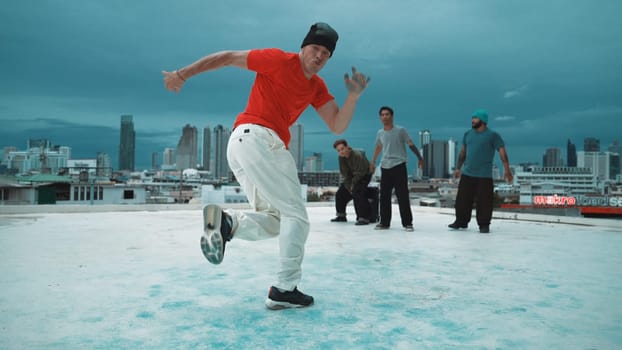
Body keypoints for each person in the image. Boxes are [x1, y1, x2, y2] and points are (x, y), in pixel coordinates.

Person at [162, 23, 369, 310]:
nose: (319, 56)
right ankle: (285, 288)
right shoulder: (279, 60)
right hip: (260, 138)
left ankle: (228, 224)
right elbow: (227, 57)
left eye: (325, 53)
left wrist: (354, 96)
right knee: (296, 216)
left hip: (242, 145)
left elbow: (336, 124)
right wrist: (182, 74)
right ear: (303, 47)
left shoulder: (315, 86)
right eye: (315, 48)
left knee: (276, 219)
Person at [448, 109, 513, 234]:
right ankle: (461, 221)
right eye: (472, 118)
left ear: (483, 121)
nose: (472, 120)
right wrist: (458, 168)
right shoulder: (468, 134)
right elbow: (462, 153)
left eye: (475, 118)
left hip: (484, 175)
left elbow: (503, 153)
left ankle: (484, 225)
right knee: (462, 200)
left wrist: (507, 170)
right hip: (467, 173)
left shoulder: (493, 135)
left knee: (484, 202)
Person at [370, 106, 423, 232]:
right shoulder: (380, 133)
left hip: (399, 165)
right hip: (385, 166)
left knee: (402, 195)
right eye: (382, 115)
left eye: (387, 114)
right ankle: (384, 222)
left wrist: (420, 158)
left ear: (392, 116)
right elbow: (378, 147)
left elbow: (410, 144)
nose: (385, 117)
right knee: (384, 196)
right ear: (380, 117)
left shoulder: (400, 130)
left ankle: (408, 223)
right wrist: (373, 161)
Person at [331, 139, 373, 225]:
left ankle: (364, 217)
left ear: (347, 147)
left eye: (342, 149)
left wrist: (352, 186)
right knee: (340, 193)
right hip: (352, 177)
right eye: (338, 150)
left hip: (364, 175)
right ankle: (341, 215)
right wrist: (348, 186)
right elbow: (345, 174)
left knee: (357, 191)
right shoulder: (341, 158)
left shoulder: (357, 155)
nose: (341, 152)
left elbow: (361, 172)